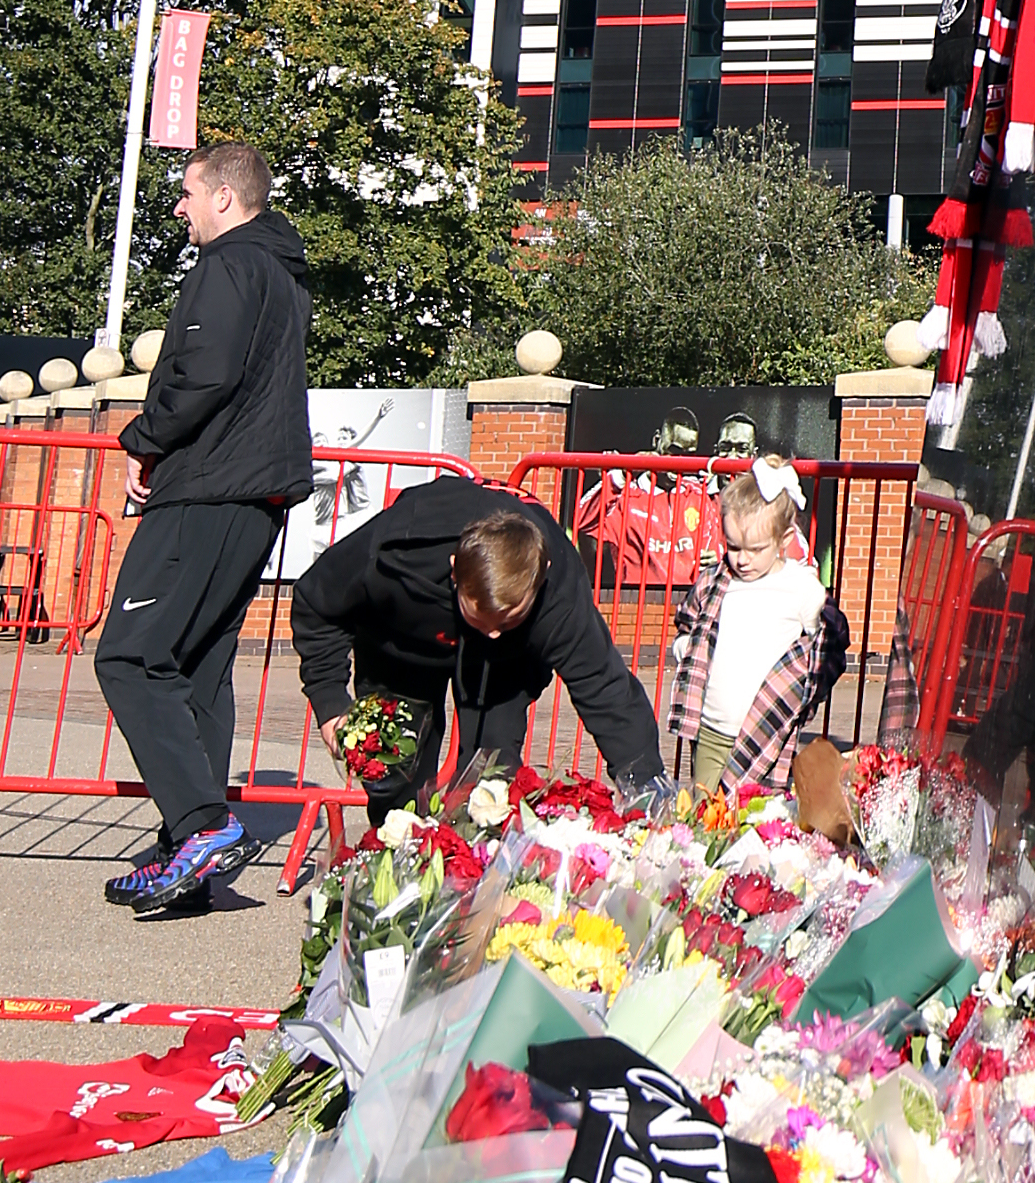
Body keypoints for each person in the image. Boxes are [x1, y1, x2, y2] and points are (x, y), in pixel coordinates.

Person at [98, 139, 313, 918]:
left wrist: (144, 439)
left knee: (128, 655)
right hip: (252, 497)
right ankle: (186, 855)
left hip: (210, 489)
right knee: (194, 666)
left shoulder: (229, 266)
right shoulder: (282, 275)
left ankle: (198, 825)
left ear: (225, 197)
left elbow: (207, 373)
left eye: (188, 193)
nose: (181, 208)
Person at [290, 473, 665, 820]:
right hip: (402, 642)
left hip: (504, 667)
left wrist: (646, 785)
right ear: (454, 571)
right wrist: (330, 703)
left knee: (490, 784)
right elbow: (315, 603)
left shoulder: (559, 592)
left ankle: (472, 872)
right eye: (482, 617)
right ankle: (396, 865)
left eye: (509, 619)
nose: (494, 632)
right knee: (395, 780)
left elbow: (602, 685)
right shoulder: (394, 555)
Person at [657, 455, 850, 797]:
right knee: (702, 817)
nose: (742, 559)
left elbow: (833, 641)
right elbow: (688, 618)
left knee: (754, 820)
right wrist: (685, 646)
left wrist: (808, 687)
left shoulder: (801, 588)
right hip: (710, 729)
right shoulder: (717, 580)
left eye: (756, 549)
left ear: (784, 538)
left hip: (765, 733)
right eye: (733, 547)